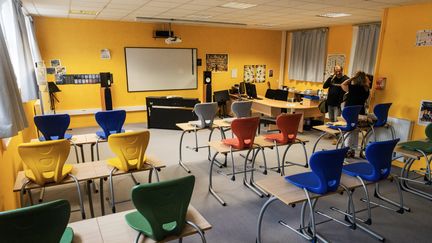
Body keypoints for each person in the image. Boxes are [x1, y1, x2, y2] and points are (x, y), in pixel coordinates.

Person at [341, 71, 371, 157]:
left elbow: (343, 84)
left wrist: (352, 78)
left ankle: (347, 149)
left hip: (349, 113)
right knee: (355, 131)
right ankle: (352, 150)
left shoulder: (353, 88)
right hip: (359, 113)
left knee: (350, 131)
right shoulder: (366, 90)